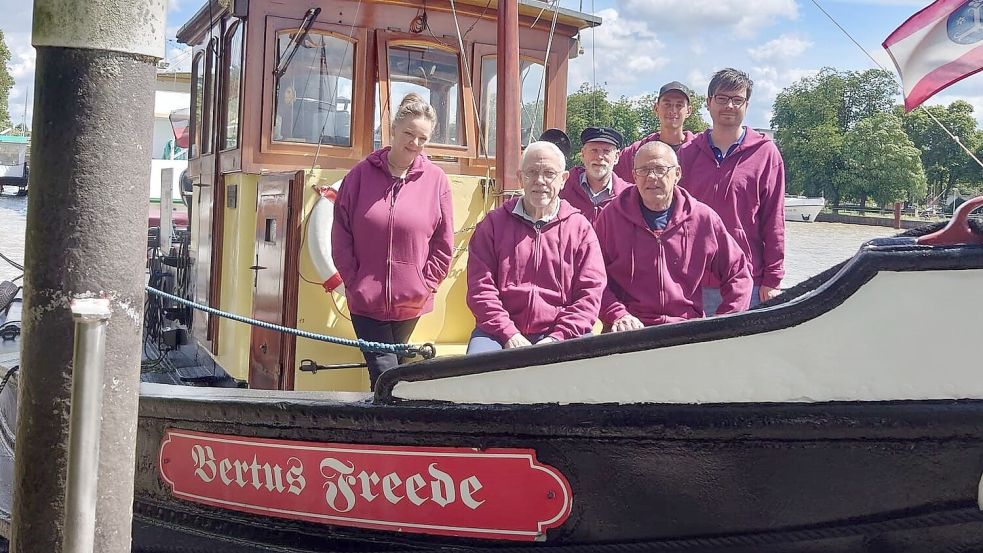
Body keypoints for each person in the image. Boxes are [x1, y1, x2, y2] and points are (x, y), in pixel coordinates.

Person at [331, 93, 454, 388]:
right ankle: (391, 426)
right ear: (393, 130)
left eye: (422, 138)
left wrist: (427, 283)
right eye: (408, 133)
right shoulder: (359, 176)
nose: (414, 143)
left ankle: (390, 425)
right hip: (366, 301)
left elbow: (443, 240)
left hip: (411, 300)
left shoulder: (436, 180)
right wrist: (354, 280)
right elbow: (341, 232)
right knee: (385, 373)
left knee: (397, 370)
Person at [466, 141, 606, 352]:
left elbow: (590, 294)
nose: (540, 181)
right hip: (497, 332)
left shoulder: (580, 229)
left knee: (584, 378)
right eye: (532, 172)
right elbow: (480, 289)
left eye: (549, 173)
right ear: (521, 177)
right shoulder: (493, 225)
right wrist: (509, 334)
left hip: (564, 333)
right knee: (475, 374)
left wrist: (555, 339)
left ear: (563, 180)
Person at [596, 141, 751, 330]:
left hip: (685, 329)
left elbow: (739, 273)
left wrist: (725, 322)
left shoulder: (702, 218)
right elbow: (593, 278)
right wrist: (617, 314)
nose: (651, 177)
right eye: (643, 170)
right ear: (634, 176)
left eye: (660, 169)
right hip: (629, 330)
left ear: (677, 173)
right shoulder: (611, 217)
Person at [676, 68, 785, 314]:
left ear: (746, 105)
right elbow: (675, 217)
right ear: (709, 102)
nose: (729, 106)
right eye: (722, 98)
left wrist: (772, 279)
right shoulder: (688, 153)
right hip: (693, 280)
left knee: (742, 351)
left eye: (737, 100)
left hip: (747, 280)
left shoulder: (766, 154)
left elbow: (774, 222)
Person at [613, 81, 697, 182]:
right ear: (656, 108)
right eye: (667, 104)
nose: (673, 110)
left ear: (688, 111)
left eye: (679, 105)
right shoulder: (636, 151)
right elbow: (606, 175)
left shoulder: (699, 150)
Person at [559, 127, 632, 225]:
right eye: (594, 150)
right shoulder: (562, 189)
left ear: (616, 157)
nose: (599, 157)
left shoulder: (628, 196)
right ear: (583, 154)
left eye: (606, 151)